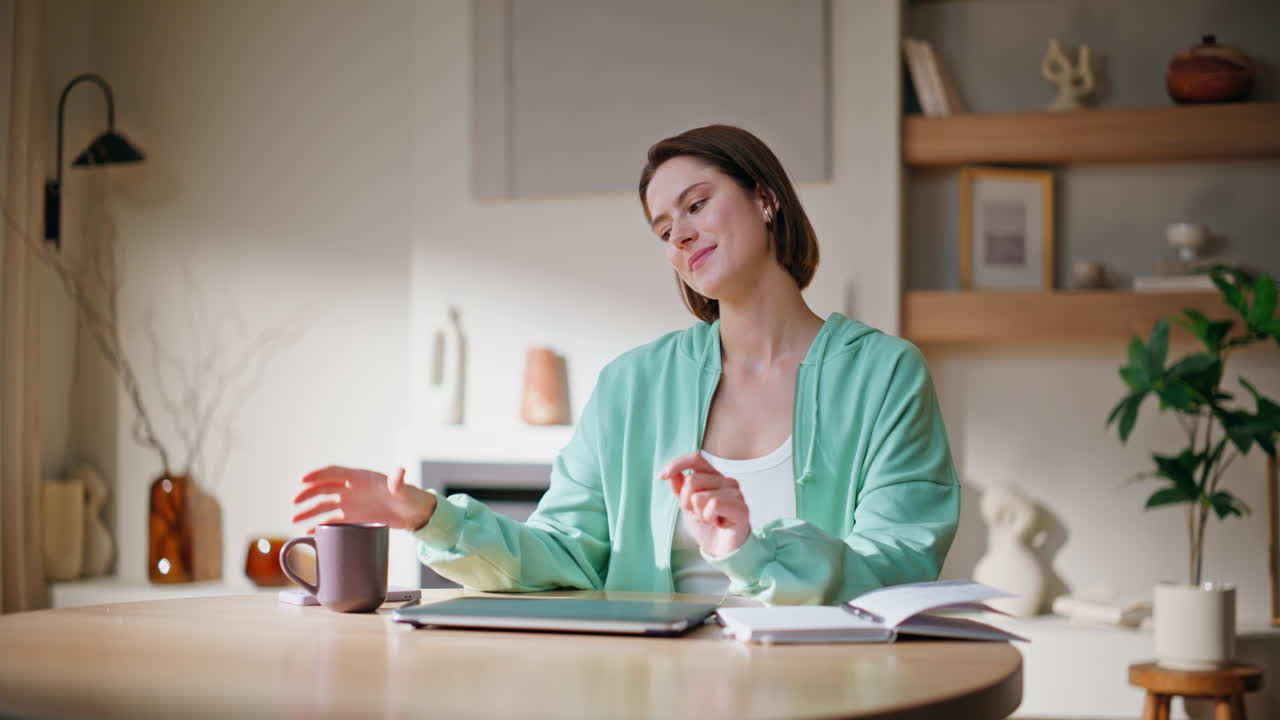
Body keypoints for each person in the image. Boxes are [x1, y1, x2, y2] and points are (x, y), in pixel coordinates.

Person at [292, 125, 959, 605]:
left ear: (765, 199)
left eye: (696, 205)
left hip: (827, 681)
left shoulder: (885, 374)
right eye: (665, 229)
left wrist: (748, 549)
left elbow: (896, 563)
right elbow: (566, 552)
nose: (683, 235)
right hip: (652, 686)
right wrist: (427, 517)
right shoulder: (632, 384)